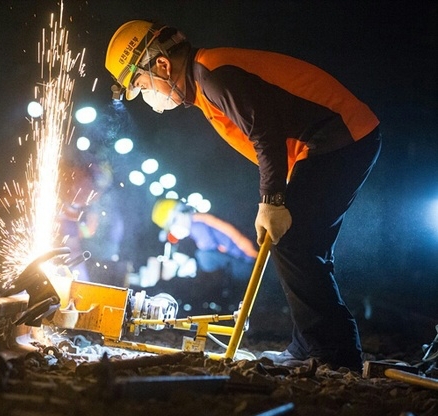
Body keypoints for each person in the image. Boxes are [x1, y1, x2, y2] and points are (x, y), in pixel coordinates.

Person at [105, 21, 381, 371]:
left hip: (338, 139)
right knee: (303, 245)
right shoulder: (207, 81)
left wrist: (272, 200)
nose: (148, 95)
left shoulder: (214, 75)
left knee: (292, 241)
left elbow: (264, 133)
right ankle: (313, 344)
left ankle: (332, 354)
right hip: (336, 141)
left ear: (162, 65)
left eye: (143, 85)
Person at [152, 198, 257, 289]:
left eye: (174, 221)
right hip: (246, 259)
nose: (174, 228)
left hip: (247, 263)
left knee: (204, 257)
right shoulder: (198, 220)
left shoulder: (196, 226)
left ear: (181, 211)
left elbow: (209, 248)